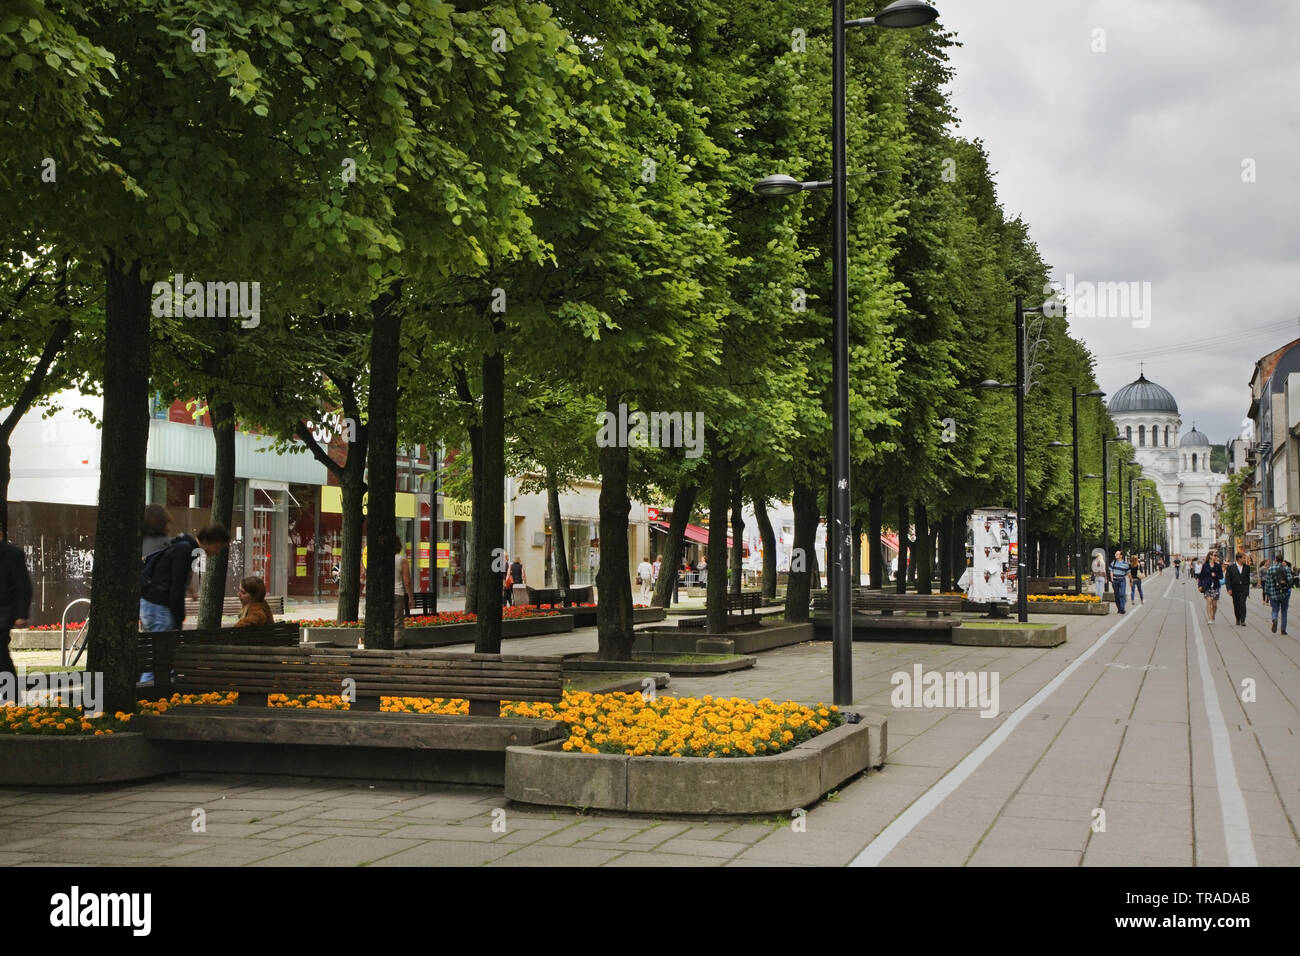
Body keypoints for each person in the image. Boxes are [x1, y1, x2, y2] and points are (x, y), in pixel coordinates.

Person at [139, 524, 230, 682]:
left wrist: (192, 592)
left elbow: (178, 579)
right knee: (160, 658)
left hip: (152, 604)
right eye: (217, 546)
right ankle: (147, 695)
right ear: (207, 541)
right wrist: (179, 618)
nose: (217, 552)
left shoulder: (186, 548)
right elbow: (176, 587)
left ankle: (157, 693)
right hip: (159, 605)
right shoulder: (185, 550)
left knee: (161, 655)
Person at [0, 527, 33, 682]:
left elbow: (23, 586)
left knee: (1, 655)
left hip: (4, 613)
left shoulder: (13, 555)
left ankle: (11, 695)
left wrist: (21, 614)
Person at [1262, 551, 1292, 635]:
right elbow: (1290, 580)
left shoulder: (1270, 569)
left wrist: (1267, 593)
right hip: (1285, 593)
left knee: (1275, 609)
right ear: (1282, 560)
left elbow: (1267, 582)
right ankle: (1283, 630)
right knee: (1284, 611)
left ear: (1275, 560)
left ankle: (1274, 618)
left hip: (1273, 594)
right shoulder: (1286, 568)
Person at [393, 540, 412, 648]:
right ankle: (397, 645)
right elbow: (407, 582)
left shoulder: (381, 559)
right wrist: (410, 598)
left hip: (383, 595)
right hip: (397, 593)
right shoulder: (402, 560)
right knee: (397, 622)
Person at [1224, 551, 1251, 626]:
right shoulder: (1231, 567)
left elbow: (1247, 579)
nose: (1245, 559)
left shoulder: (1247, 567)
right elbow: (1227, 579)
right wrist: (1229, 589)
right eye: (1244, 558)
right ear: (1239, 559)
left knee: (1242, 603)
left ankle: (1243, 620)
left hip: (1244, 588)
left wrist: (1247, 590)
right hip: (1234, 588)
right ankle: (1238, 618)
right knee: (1236, 604)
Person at [1197, 550, 1223, 622]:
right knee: (1209, 601)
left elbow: (1221, 576)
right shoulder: (1205, 565)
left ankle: (1213, 615)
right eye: (1214, 555)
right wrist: (1200, 585)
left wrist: (1215, 575)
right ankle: (1210, 618)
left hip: (1216, 586)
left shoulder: (1218, 566)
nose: (1216, 557)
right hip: (1207, 586)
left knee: (1214, 604)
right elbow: (1201, 576)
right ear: (1210, 556)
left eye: (1216, 556)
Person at [1109, 549, 1130, 613]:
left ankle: (1122, 608)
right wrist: (1112, 579)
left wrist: (1131, 580)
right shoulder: (1113, 562)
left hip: (1122, 580)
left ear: (1121, 556)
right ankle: (1119, 608)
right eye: (1115, 554)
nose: (1115, 555)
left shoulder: (1125, 564)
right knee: (1117, 596)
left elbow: (1128, 572)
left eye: (1117, 554)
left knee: (1122, 594)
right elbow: (1111, 571)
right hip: (1115, 581)